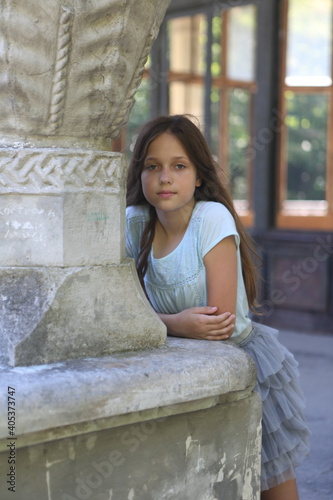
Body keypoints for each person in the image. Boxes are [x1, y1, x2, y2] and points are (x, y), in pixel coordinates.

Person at [126, 114, 310, 499]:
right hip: (170, 362)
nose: (164, 178)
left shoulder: (211, 218)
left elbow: (219, 323)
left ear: (197, 176)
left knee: (271, 487)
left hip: (240, 362)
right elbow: (120, 312)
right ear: (139, 174)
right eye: (152, 166)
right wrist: (174, 323)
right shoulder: (133, 224)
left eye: (179, 166)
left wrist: (159, 324)